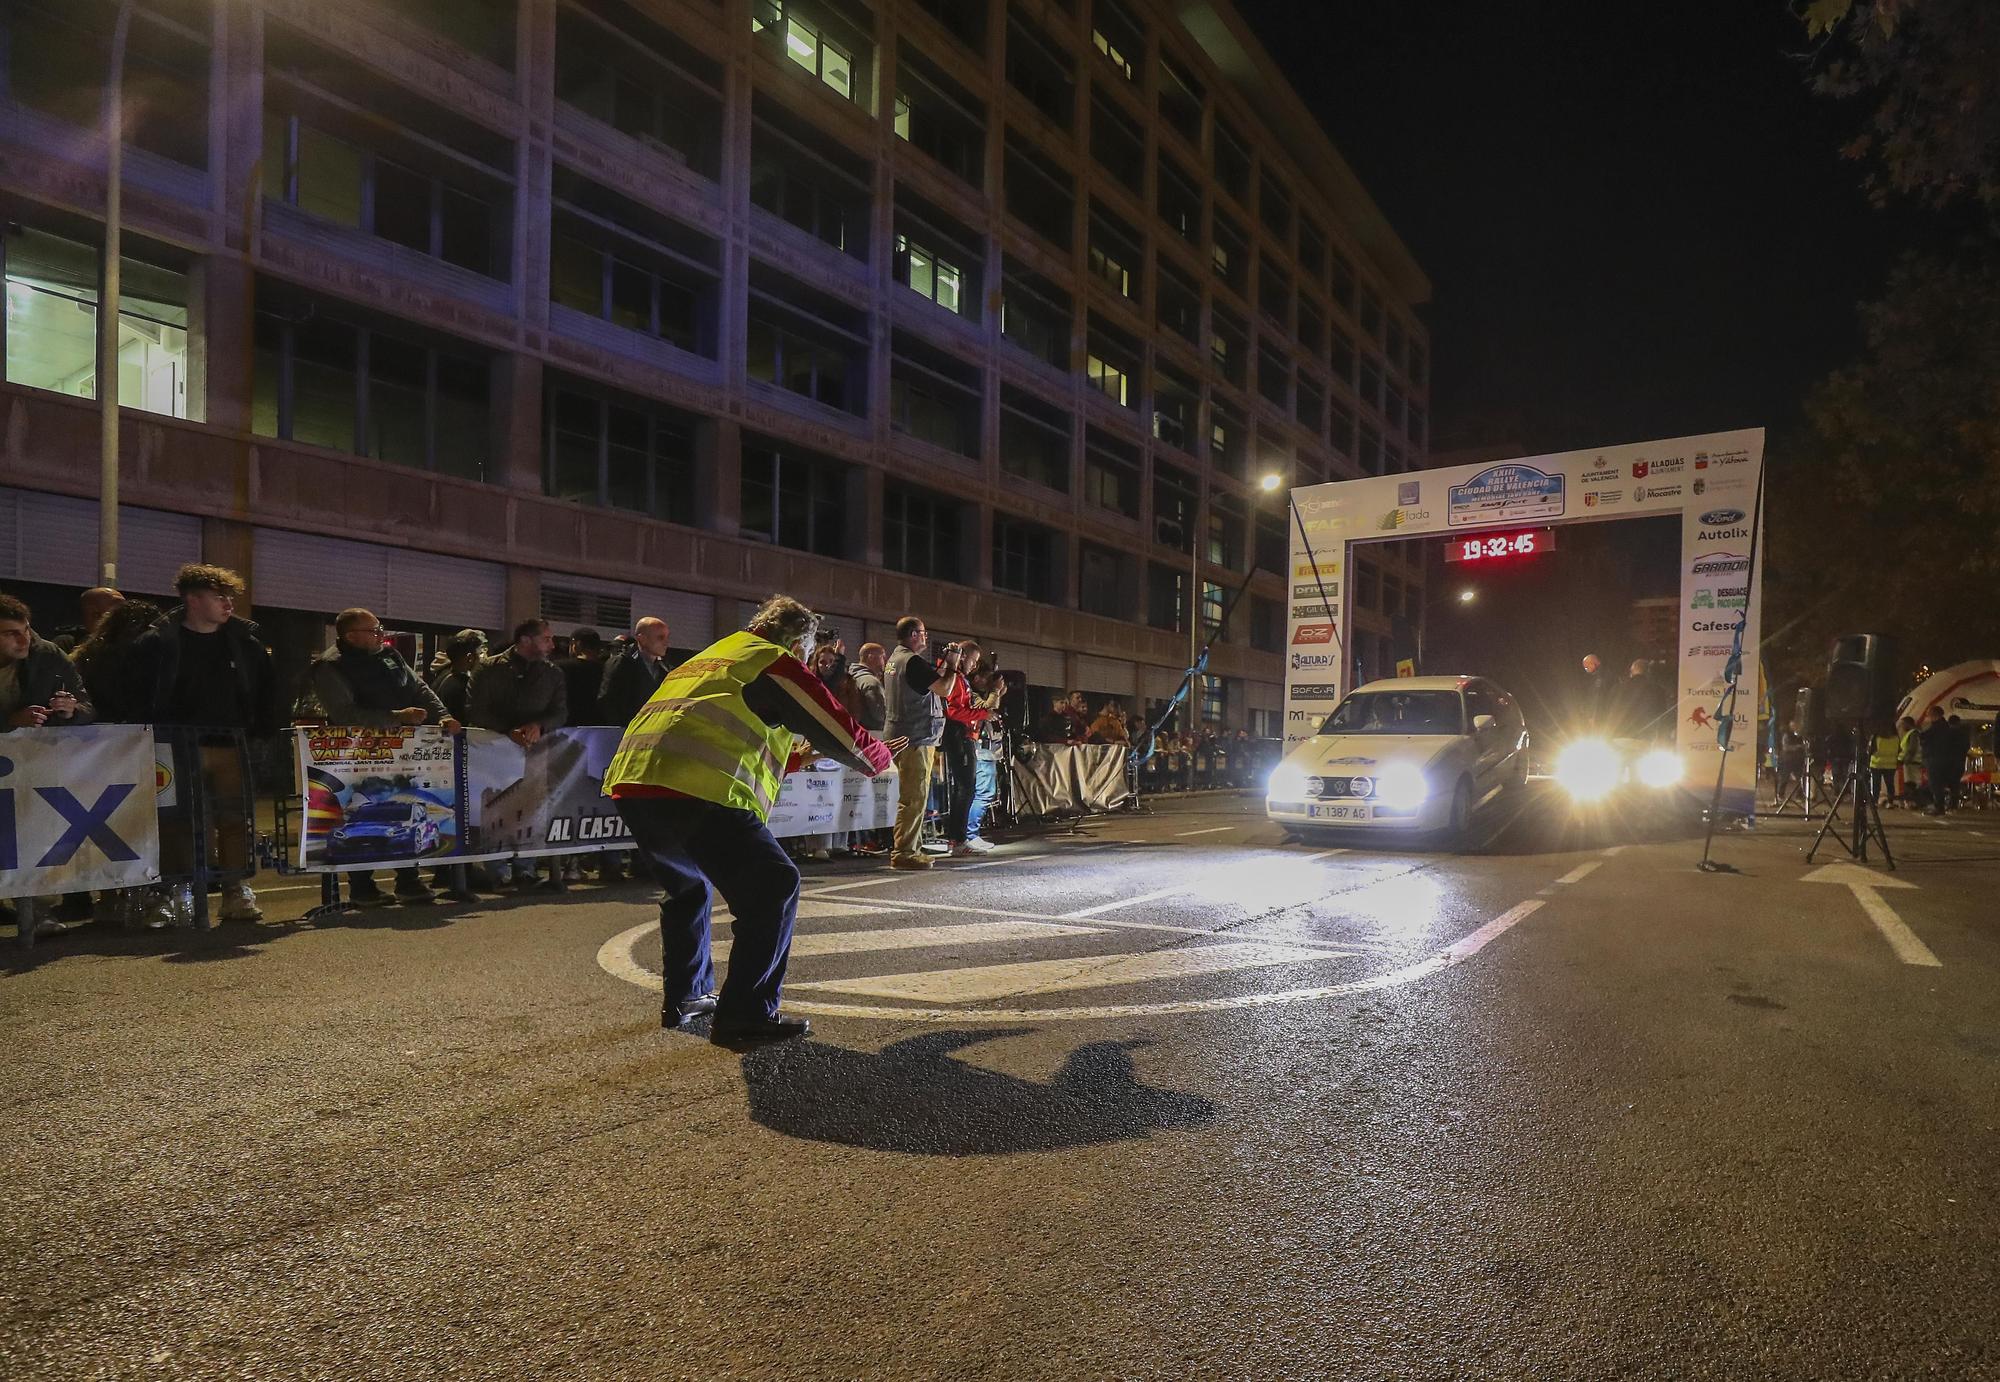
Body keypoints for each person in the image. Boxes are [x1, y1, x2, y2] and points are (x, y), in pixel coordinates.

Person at [604, 594, 897, 1044]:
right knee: (773, 885)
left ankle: (687, 996)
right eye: (807, 649)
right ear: (799, 640)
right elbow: (836, 725)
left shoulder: (715, 656)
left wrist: (798, 758)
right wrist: (877, 758)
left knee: (688, 889)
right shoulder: (772, 660)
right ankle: (746, 1012)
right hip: (696, 786)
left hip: (635, 783)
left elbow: (725, 727)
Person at [127, 564, 280, 924]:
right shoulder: (157, 642)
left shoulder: (245, 643)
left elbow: (266, 691)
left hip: (231, 743)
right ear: (192, 599)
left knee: (234, 817)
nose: (228, 604)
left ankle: (233, 889)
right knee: (176, 818)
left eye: (230, 597)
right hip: (173, 745)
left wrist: (261, 732)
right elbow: (137, 692)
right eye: (219, 597)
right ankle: (177, 889)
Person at [310, 608, 464, 906]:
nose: (381, 634)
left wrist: (442, 715)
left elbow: (418, 687)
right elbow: (344, 712)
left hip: (402, 750)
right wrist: (397, 717)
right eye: (374, 630)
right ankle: (362, 887)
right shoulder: (331, 666)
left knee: (403, 803)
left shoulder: (389, 656)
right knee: (361, 814)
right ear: (351, 636)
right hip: (359, 753)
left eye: (380, 628)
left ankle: (409, 880)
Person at [469, 618, 568, 889]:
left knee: (531, 810)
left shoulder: (552, 673)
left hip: (535, 754)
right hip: (493, 754)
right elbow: (476, 710)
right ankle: (497, 870)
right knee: (495, 810)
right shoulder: (489, 669)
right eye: (546, 638)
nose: (552, 644)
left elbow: (560, 711)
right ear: (525, 640)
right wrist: (506, 730)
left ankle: (526, 868)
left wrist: (540, 725)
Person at [885, 616, 966, 871]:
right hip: (915, 737)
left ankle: (912, 847)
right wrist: (952, 664)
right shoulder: (912, 661)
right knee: (915, 797)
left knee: (913, 795)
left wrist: (943, 666)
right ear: (912, 634)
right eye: (922, 632)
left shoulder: (896, 660)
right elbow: (944, 689)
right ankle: (905, 852)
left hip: (903, 734)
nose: (926, 636)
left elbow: (928, 682)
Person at [0, 592, 94, 731]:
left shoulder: (48, 655)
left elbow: (87, 708)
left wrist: (71, 711)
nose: (25, 641)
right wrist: (11, 720)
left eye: (26, 630)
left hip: (32, 749)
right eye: (11, 633)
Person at [939, 639, 991, 855]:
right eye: (974, 660)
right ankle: (957, 839)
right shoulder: (953, 678)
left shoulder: (960, 679)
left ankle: (959, 838)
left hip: (962, 735)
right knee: (965, 788)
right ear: (963, 657)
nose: (975, 665)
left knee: (966, 788)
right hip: (958, 735)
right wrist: (983, 713)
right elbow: (952, 712)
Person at [964, 653, 1006, 852]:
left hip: (988, 751)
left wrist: (998, 691)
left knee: (984, 793)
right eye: (986, 677)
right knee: (983, 793)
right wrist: (996, 691)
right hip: (982, 751)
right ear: (976, 677)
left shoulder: (980, 695)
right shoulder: (972, 695)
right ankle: (971, 835)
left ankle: (971, 834)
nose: (989, 682)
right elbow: (989, 707)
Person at [597, 617, 671, 728]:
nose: (666, 642)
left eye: (666, 637)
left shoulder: (665, 669)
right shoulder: (622, 663)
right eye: (660, 637)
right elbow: (607, 701)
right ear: (642, 639)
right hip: (625, 732)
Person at [430, 629, 487, 722]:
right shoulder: (462, 685)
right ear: (470, 658)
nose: (484, 658)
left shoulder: (443, 675)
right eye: (481, 653)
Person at [50, 586, 126, 654]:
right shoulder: (66, 644)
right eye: (117, 606)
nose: (126, 611)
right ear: (94, 614)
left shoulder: (129, 642)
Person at [1917, 707, 1955, 815]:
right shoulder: (1945, 726)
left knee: (1935, 784)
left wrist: (1921, 734)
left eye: (1929, 715)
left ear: (1934, 715)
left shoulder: (1937, 727)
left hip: (1935, 758)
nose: (1927, 717)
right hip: (1943, 758)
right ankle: (1939, 805)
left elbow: (1925, 738)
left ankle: (1939, 807)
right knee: (1937, 784)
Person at [1868, 720, 1902, 808]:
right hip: (1890, 765)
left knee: (1876, 784)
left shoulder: (1876, 737)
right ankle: (1890, 802)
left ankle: (1874, 802)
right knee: (1890, 785)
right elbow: (1899, 750)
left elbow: (1870, 750)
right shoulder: (1896, 738)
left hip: (1876, 764)